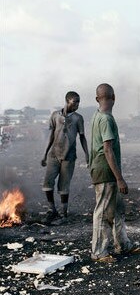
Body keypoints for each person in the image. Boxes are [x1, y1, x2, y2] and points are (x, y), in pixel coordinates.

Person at [89, 83, 140, 263]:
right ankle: (98, 252)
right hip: (106, 171)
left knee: (118, 209)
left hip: (104, 170)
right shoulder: (105, 119)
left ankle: (122, 244)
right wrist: (120, 178)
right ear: (113, 97)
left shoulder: (97, 116)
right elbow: (107, 150)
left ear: (97, 98)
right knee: (103, 211)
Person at [41, 91, 89, 221]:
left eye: (79, 102)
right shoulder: (55, 115)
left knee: (64, 185)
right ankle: (52, 209)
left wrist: (87, 154)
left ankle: (63, 212)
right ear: (68, 101)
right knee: (47, 183)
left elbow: (82, 137)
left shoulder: (78, 118)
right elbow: (51, 135)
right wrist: (45, 154)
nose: (77, 104)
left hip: (69, 155)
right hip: (54, 154)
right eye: (75, 102)